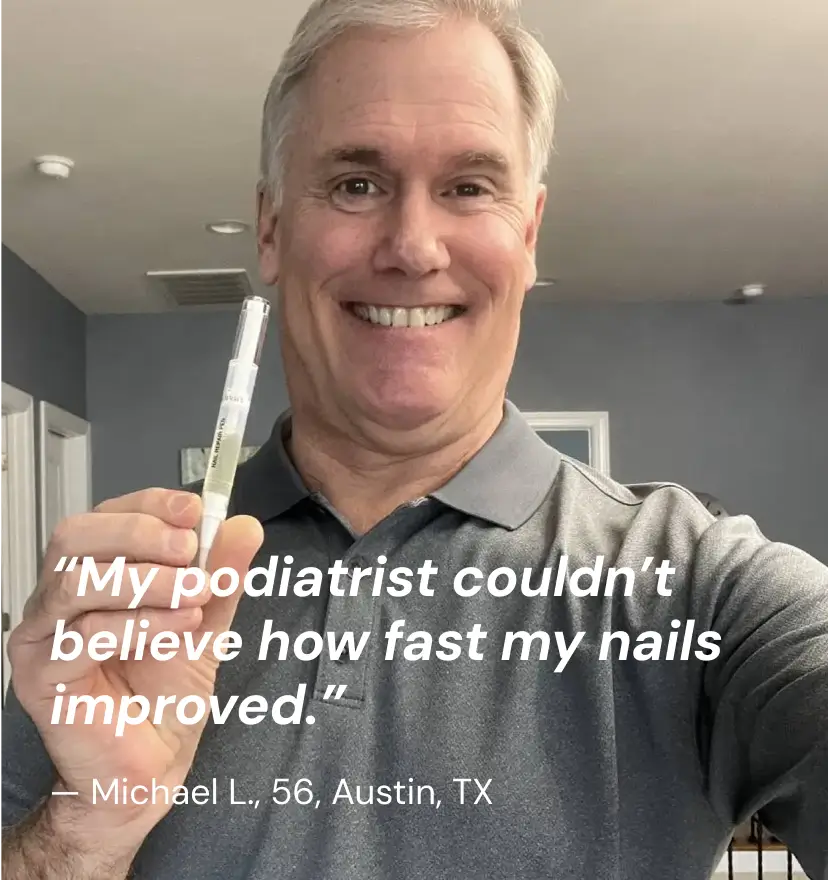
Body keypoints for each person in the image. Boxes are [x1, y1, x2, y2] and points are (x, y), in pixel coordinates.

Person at [2, 0, 828, 876]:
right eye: (356, 184)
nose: (413, 247)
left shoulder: (697, 586)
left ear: (529, 232)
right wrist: (81, 832)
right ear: (271, 228)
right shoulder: (127, 604)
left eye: (469, 187)